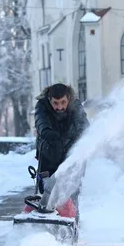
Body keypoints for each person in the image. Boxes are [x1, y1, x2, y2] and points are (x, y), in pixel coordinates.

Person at [34, 83, 89, 215]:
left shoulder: (75, 106)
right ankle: (45, 226)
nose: (59, 107)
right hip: (48, 156)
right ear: (49, 100)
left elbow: (83, 124)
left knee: (71, 192)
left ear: (68, 99)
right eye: (55, 103)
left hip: (71, 156)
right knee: (47, 192)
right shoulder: (42, 106)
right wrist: (47, 131)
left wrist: (81, 136)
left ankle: (73, 220)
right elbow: (40, 121)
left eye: (63, 102)